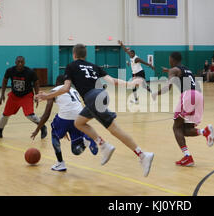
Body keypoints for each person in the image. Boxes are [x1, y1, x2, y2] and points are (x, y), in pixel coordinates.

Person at [36, 44, 154, 177]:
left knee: (95, 126)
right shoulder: (94, 66)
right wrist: (130, 84)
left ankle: (113, 148)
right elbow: (112, 81)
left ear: (74, 55)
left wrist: (46, 96)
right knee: (81, 123)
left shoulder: (71, 66)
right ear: (85, 55)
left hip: (92, 98)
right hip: (101, 96)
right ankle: (134, 153)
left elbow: (65, 88)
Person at [151, 52, 214, 167]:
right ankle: (204, 132)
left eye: (169, 59)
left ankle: (187, 157)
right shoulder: (187, 69)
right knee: (185, 130)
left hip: (188, 95)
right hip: (199, 96)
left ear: (172, 60)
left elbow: (168, 88)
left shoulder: (173, 70)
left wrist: (156, 93)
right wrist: (169, 71)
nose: (169, 62)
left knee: (176, 127)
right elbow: (179, 74)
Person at [31, 75, 98, 171]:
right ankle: (86, 140)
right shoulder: (73, 90)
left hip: (66, 118)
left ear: (57, 83)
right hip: (79, 117)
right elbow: (66, 102)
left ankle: (60, 163)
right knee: (76, 150)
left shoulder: (54, 90)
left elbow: (47, 114)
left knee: (55, 133)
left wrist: (38, 129)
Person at [0, 56, 47, 139]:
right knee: (5, 115)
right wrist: (2, 94)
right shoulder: (10, 71)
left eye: (22, 62)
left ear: (24, 63)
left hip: (26, 95)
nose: (20, 64)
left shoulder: (30, 72)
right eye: (18, 62)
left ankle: (42, 126)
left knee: (30, 115)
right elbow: (5, 81)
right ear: (15, 62)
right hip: (14, 96)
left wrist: (37, 95)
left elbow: (36, 83)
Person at [118, 40, 154, 104]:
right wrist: (121, 44)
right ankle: (136, 100)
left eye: (132, 54)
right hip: (134, 73)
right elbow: (125, 50)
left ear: (134, 54)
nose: (130, 55)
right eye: (130, 53)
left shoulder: (136, 59)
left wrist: (151, 66)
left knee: (144, 85)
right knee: (134, 86)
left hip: (140, 72)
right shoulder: (130, 55)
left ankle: (152, 93)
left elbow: (144, 62)